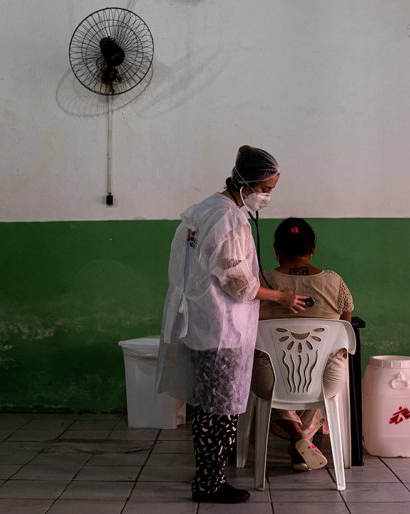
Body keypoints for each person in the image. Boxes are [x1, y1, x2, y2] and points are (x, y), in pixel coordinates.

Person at [155, 146, 310, 504]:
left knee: (210, 407)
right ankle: (209, 484)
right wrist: (280, 297)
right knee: (219, 409)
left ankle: (209, 475)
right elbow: (237, 281)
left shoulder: (206, 208)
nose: (267, 196)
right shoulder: (229, 219)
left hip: (204, 322)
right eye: (266, 189)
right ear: (248, 183)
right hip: (220, 328)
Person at [253, 217, 355, 471]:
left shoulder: (261, 282)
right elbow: (346, 321)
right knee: (319, 367)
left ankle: (297, 436)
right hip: (325, 381)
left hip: (271, 382)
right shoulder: (334, 282)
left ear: (276, 250)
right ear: (313, 250)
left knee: (276, 369)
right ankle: (303, 441)